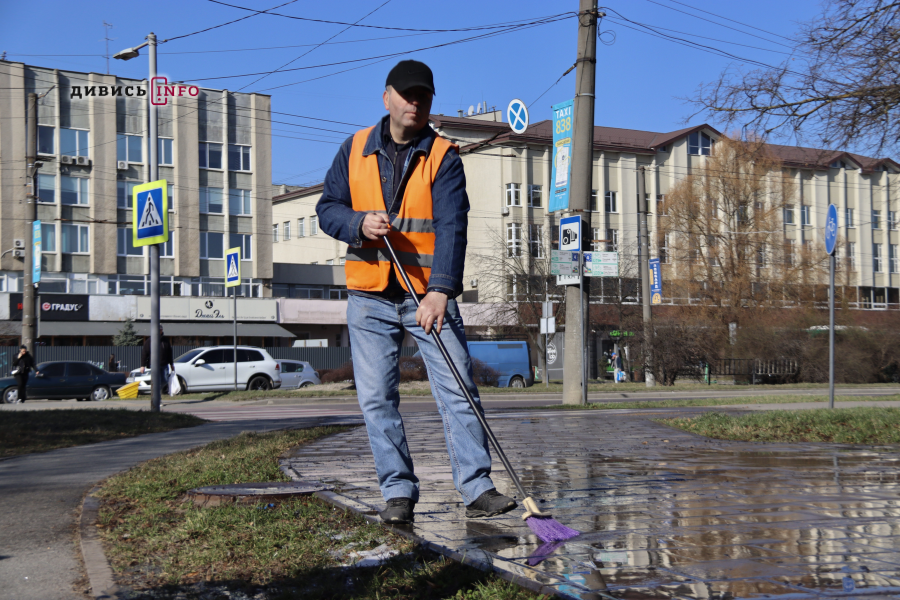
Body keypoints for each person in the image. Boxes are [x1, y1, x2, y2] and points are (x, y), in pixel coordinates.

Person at [316, 60, 517, 525]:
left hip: (427, 296)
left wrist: (441, 291)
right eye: (407, 94)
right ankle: (398, 492)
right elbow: (327, 208)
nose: (415, 102)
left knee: (459, 388)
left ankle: (477, 487)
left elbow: (452, 227)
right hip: (369, 296)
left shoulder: (443, 155)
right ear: (386, 97)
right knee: (376, 398)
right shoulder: (354, 149)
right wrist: (357, 224)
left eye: (423, 95)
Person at [141, 325, 174, 392]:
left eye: (161, 330)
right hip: (154, 364)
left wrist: (171, 364)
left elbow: (169, 353)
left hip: (164, 364)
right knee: (157, 381)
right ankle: (157, 397)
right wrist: (142, 365)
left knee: (165, 380)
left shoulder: (165, 340)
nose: (160, 331)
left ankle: (156, 392)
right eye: (158, 330)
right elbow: (144, 353)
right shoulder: (150, 340)